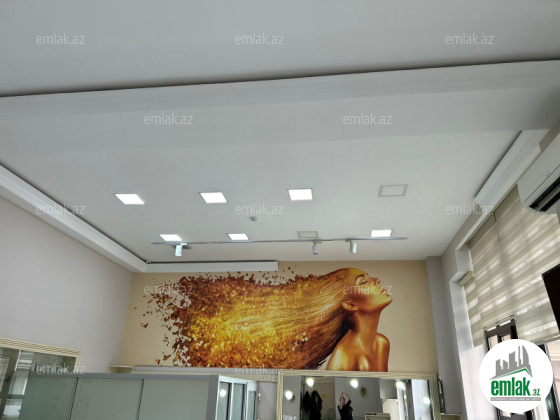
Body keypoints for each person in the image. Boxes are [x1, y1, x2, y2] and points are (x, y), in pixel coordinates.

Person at [145, 268, 393, 371]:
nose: (377, 281)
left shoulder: (381, 343)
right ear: (350, 304)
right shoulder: (344, 356)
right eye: (364, 281)